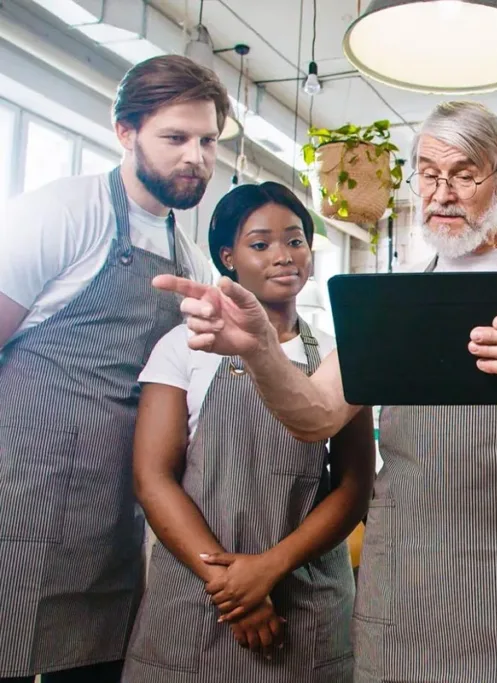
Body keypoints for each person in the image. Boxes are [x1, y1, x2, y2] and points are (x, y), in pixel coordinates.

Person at [153, 101, 497, 681]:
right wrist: (259, 350)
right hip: (411, 578)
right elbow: (316, 414)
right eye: (429, 174)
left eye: (465, 173)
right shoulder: (390, 300)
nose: (442, 192)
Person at [0, 55, 229, 682]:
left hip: (112, 523)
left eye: (208, 140)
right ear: (125, 132)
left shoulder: (188, 255)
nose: (196, 157)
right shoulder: (64, 214)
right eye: (175, 138)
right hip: (18, 509)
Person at [121, 182, 374, 682]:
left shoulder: (338, 355)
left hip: (304, 599)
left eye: (296, 240)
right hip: (199, 598)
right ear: (227, 256)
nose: (284, 256)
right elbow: (153, 477)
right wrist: (230, 587)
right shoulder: (184, 345)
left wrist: (267, 570)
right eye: (260, 244)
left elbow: (354, 486)